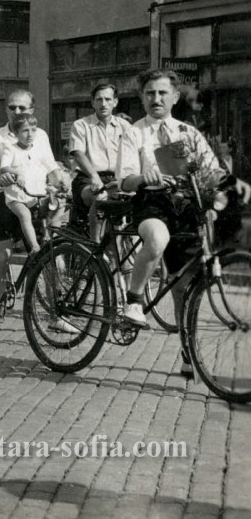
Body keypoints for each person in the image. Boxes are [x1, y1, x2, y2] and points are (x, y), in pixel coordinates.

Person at [118, 70, 250, 376]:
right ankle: (134, 301)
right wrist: (143, 177)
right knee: (157, 239)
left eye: (163, 93)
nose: (156, 99)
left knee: (184, 286)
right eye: (150, 93)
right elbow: (124, 179)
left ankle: (188, 353)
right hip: (150, 202)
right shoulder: (134, 133)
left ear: (175, 97)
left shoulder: (188, 133)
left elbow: (212, 171)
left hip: (186, 207)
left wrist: (226, 189)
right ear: (142, 98)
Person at [0, 89, 74, 342]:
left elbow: (51, 167)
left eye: (22, 108)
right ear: (6, 109)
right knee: (1, 257)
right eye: (12, 107)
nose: (17, 112)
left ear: (32, 110)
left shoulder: (39, 135)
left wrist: (61, 182)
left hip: (37, 201)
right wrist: (0, 177)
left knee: (50, 257)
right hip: (10, 201)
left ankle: (55, 315)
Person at [68, 83, 130, 241]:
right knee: (101, 198)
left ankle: (125, 250)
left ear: (115, 102)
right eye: (99, 99)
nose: (103, 104)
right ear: (92, 103)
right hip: (88, 179)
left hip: (116, 179)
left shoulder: (124, 126)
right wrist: (94, 176)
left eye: (108, 99)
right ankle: (95, 246)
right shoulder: (81, 125)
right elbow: (78, 153)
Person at [0, 114, 62, 254]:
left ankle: (51, 241)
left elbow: (51, 167)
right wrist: (17, 173)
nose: (30, 134)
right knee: (25, 214)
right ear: (16, 133)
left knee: (58, 206)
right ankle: (35, 247)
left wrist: (59, 182)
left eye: (33, 130)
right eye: (25, 131)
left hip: (37, 195)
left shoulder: (39, 150)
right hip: (17, 197)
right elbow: (4, 167)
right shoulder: (10, 148)